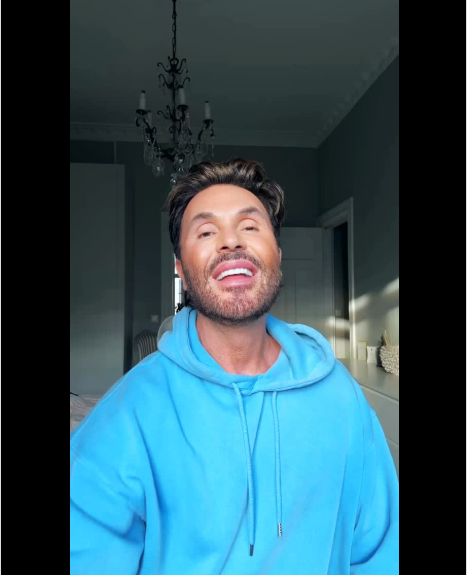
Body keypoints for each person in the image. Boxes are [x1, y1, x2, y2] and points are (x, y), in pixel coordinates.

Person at [70, 159, 399, 574]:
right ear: (181, 270)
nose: (230, 241)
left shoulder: (341, 396)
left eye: (249, 226)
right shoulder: (127, 413)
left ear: (277, 256)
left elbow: (381, 550)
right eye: (206, 232)